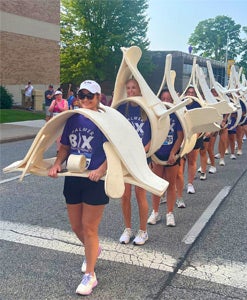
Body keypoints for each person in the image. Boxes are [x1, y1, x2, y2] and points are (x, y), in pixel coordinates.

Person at [48, 80, 109, 296]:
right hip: (74, 177)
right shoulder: (72, 119)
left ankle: (90, 275)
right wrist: (57, 164)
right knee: (76, 227)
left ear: (98, 97)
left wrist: (101, 169)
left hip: (95, 180)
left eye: (89, 96)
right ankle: (94, 250)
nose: (84, 99)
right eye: (81, 95)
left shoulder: (105, 119)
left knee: (89, 227)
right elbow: (65, 146)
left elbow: (115, 150)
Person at [117, 78, 151, 245]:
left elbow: (155, 136)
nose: (131, 91)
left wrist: (141, 152)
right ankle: (128, 228)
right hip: (125, 157)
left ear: (139, 89)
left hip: (142, 159)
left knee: (140, 195)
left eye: (133, 88)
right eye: (128, 88)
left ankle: (143, 231)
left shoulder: (147, 109)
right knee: (125, 195)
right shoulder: (123, 108)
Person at [147, 89, 183, 227]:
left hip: (171, 155)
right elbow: (150, 135)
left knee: (170, 184)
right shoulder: (155, 116)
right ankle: (155, 212)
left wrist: (173, 153)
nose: (166, 101)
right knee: (157, 185)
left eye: (169, 98)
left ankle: (170, 213)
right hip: (158, 155)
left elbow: (180, 136)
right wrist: (152, 154)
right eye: (163, 98)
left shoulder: (176, 115)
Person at [177, 85, 201, 201]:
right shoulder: (180, 103)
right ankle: (178, 188)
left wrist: (198, 135)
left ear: (196, 94)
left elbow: (202, 122)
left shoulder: (199, 104)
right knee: (180, 164)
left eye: (192, 93)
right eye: (188, 92)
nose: (190, 94)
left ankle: (190, 183)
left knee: (192, 160)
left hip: (195, 135)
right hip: (181, 137)